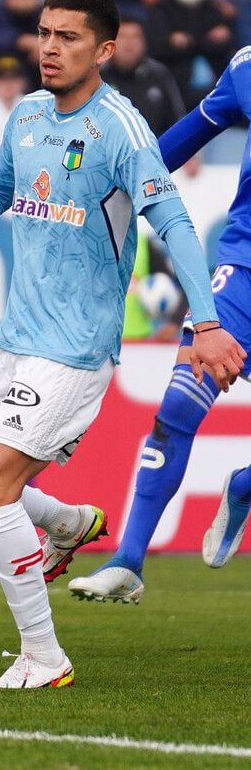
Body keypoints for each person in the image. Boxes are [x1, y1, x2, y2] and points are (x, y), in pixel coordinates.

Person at [0, 0, 244, 689]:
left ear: (105, 49)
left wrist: (206, 322)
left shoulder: (122, 129)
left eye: (69, 37)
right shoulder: (25, 115)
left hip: (74, 347)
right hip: (15, 333)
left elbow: (172, 224)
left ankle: (44, 658)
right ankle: (66, 521)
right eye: (45, 34)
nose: (50, 48)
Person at [69, 39, 251, 603]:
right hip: (244, 271)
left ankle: (244, 484)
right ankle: (129, 560)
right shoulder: (247, 66)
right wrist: (118, 184)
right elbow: (184, 138)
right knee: (178, 404)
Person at [146, 0, 238, 107]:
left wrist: (186, 41)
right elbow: (158, 48)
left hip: (215, 89)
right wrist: (205, 40)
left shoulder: (218, 10)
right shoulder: (160, 10)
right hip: (174, 88)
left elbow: (225, 46)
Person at [101, 17, 188, 140]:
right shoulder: (96, 75)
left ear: (145, 41)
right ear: (110, 43)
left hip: (155, 152)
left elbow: (178, 122)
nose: (129, 43)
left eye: (135, 36)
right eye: (122, 36)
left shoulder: (159, 74)